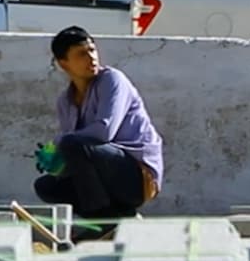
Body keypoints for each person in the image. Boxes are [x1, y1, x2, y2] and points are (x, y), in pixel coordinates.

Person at [34, 26, 163, 237]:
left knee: (71, 144)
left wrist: (59, 142)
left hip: (137, 176)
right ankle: (119, 218)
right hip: (105, 177)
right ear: (63, 63)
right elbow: (76, 157)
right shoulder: (65, 102)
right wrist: (55, 163)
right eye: (81, 54)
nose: (91, 58)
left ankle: (102, 223)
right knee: (46, 186)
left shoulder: (112, 80)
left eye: (92, 50)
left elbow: (104, 132)